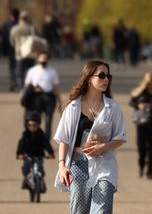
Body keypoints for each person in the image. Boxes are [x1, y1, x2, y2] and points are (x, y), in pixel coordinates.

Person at [53, 60, 126, 214]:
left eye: (108, 76)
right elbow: (64, 138)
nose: (106, 79)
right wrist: (62, 166)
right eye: (101, 75)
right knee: (79, 210)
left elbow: (120, 137)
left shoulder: (113, 108)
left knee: (102, 210)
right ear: (88, 78)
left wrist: (103, 147)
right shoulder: (73, 107)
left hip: (104, 163)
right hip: (77, 163)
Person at [24, 52, 60, 135]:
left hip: (49, 97)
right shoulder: (32, 71)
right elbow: (27, 85)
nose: (43, 60)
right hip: (37, 98)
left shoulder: (52, 71)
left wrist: (59, 102)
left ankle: (46, 140)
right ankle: (37, 139)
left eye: (45, 58)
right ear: (38, 59)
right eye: (42, 58)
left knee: (48, 121)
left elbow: (56, 87)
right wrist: (34, 89)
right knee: (36, 120)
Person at [16, 111, 54, 189]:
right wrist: (19, 154)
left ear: (38, 125)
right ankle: (26, 180)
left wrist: (51, 153)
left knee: (40, 169)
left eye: (34, 125)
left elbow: (46, 144)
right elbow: (21, 145)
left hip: (39, 155)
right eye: (30, 125)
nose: (32, 127)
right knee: (26, 168)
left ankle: (41, 182)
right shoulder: (25, 135)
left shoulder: (41, 135)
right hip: (28, 155)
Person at [10, 12, 40, 90]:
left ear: (19, 19)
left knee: (19, 73)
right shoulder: (32, 28)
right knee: (30, 72)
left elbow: (12, 42)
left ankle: (21, 89)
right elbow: (37, 40)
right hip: (31, 53)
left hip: (20, 54)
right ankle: (29, 88)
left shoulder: (15, 29)